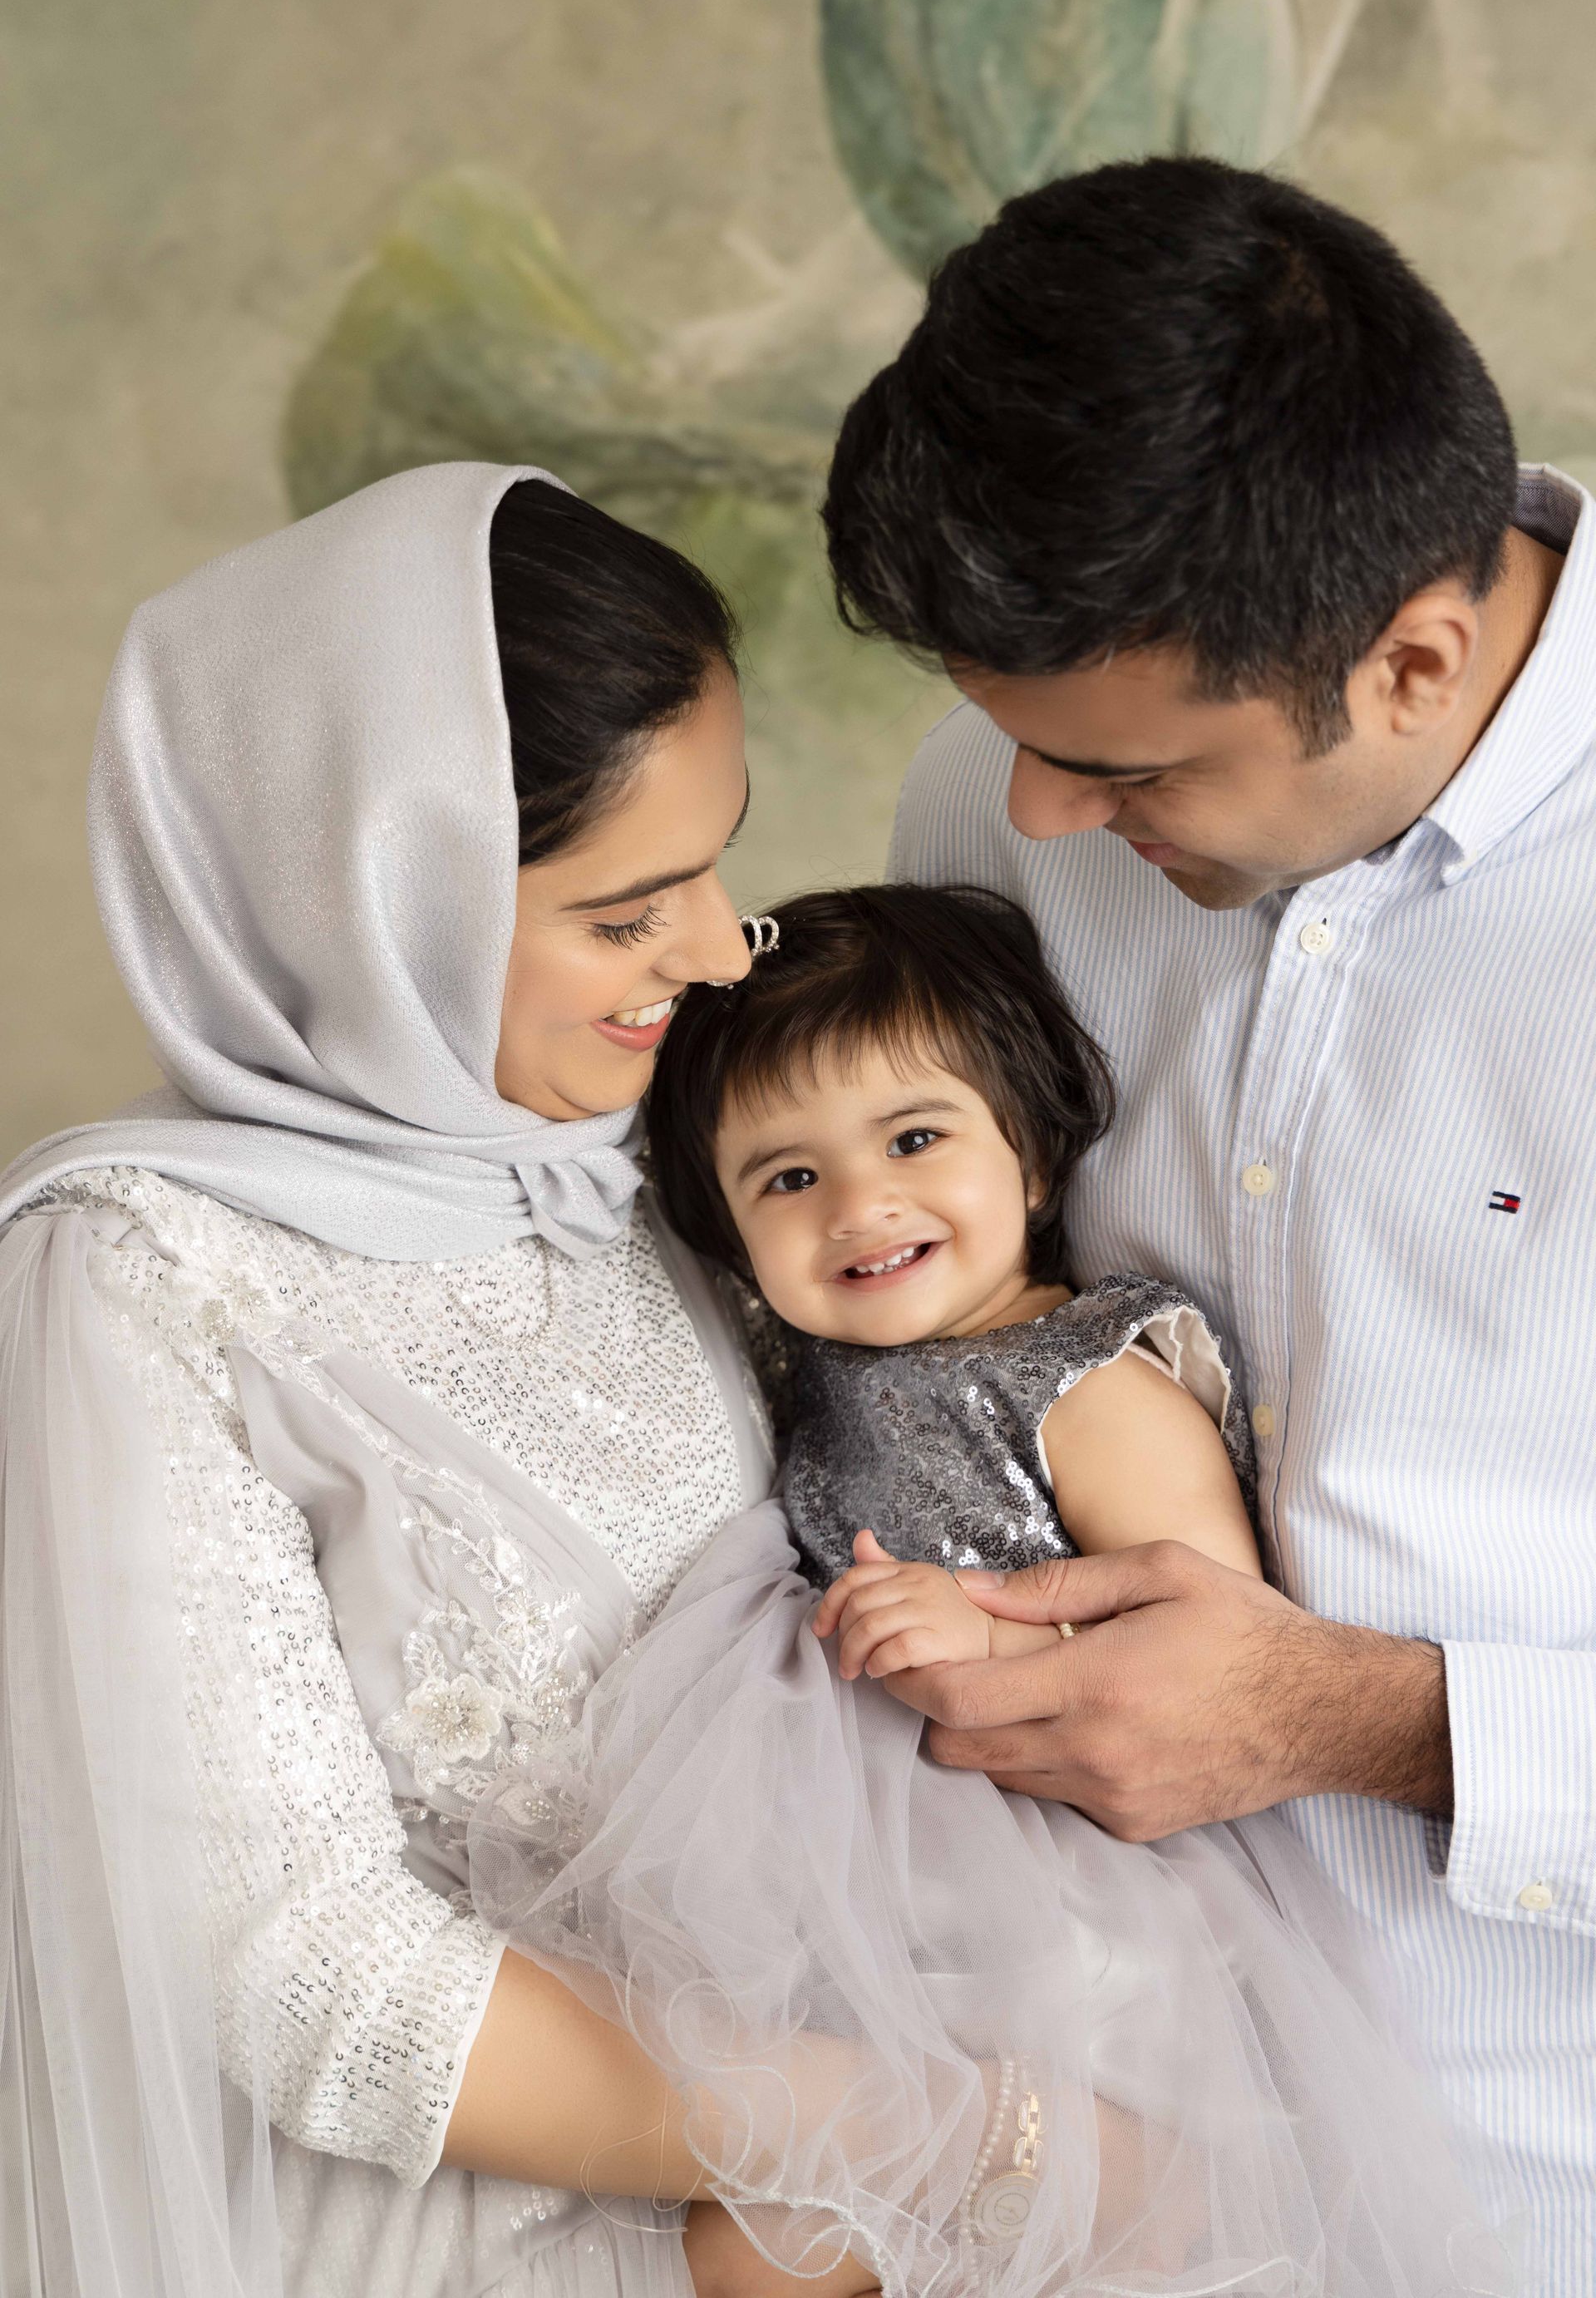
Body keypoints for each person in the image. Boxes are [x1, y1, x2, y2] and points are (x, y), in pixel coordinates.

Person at [819, 152, 1596, 2289]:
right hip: (1117, 2133)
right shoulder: (1000, 794)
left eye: (1133, 775)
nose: (1045, 819)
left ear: (1419, 659)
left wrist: (1359, 1717)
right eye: (1024, 750)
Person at [475, 879, 1516, 2298]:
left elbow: (1205, 1634)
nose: (859, 1202)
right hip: (874, 1895)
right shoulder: (806, 1365)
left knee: (798, 2246)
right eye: (787, 1179)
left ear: (1031, 1160)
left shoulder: (1082, 1383)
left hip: (1074, 1911)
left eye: (914, 1138)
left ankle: (1139, 2211)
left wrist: (984, 1619)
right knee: (740, 2229)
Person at [0, 461, 781, 2297]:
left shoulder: (658, 1162)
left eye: (722, 853)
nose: (720, 943)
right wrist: (929, 2133)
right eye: (625, 910)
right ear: (368, 898)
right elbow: (286, 1962)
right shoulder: (139, 1276)